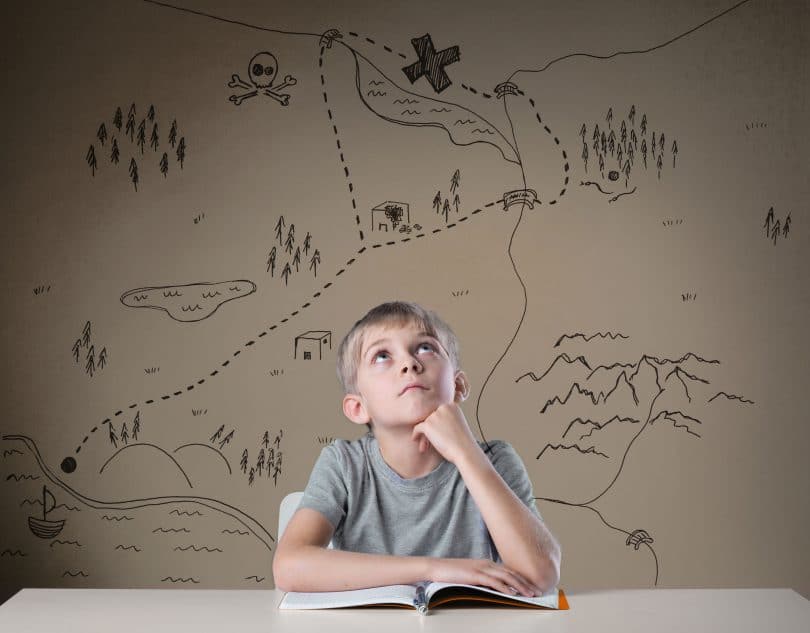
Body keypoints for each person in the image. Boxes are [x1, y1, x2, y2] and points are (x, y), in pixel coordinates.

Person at [272, 301, 561, 597]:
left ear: (458, 385)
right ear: (358, 407)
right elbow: (289, 567)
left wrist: (466, 453)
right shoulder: (343, 464)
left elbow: (540, 575)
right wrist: (431, 569)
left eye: (425, 348)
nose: (409, 364)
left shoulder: (496, 460)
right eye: (382, 356)